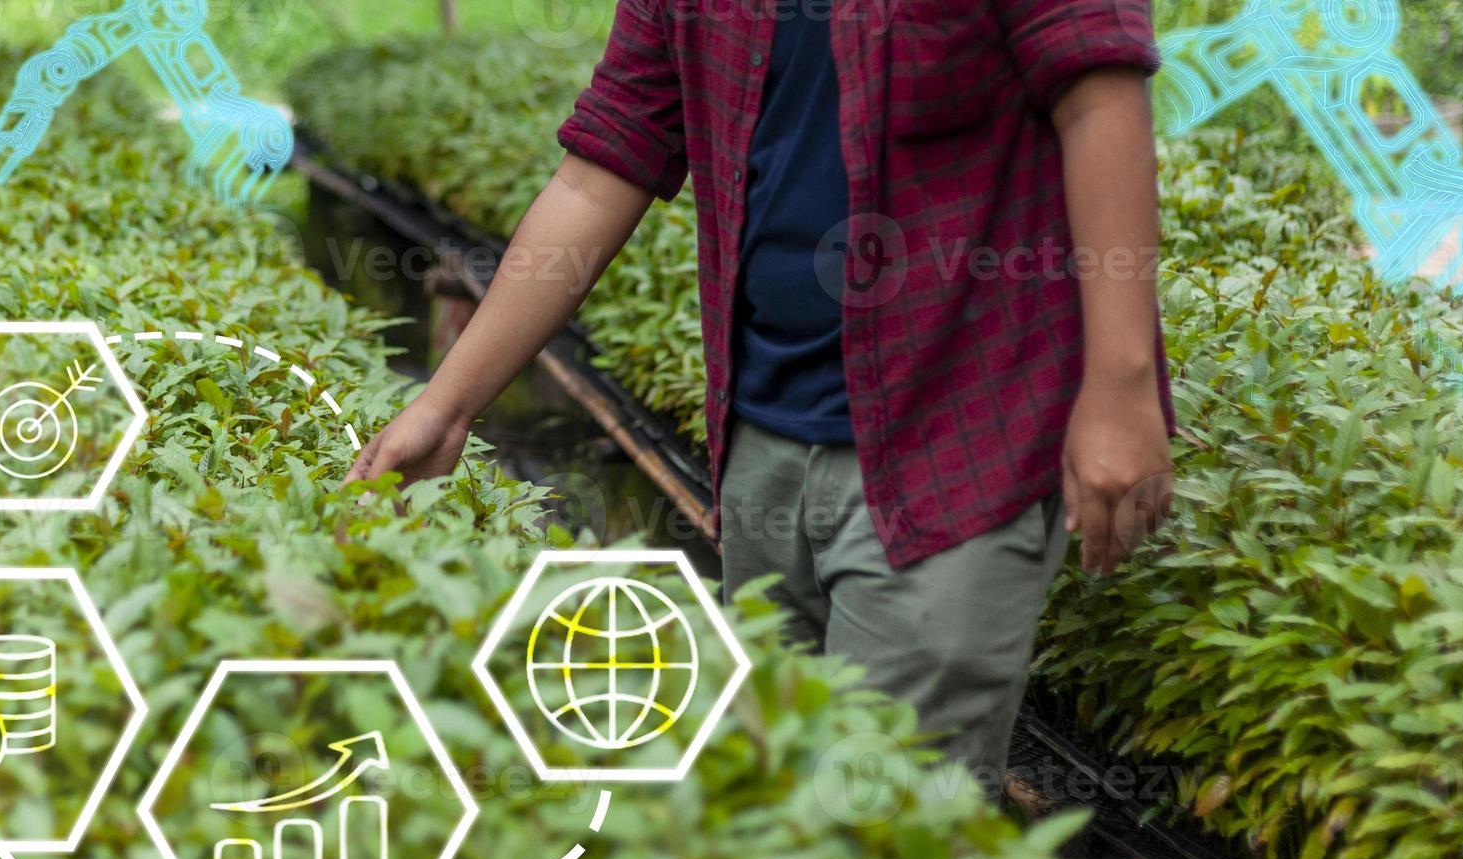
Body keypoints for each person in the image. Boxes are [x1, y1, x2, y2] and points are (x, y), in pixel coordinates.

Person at [345, 0, 1176, 784]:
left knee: (886, 842)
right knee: (777, 799)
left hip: (951, 442)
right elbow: (601, 168)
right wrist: (445, 404)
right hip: (759, 442)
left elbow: (1097, 97)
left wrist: (1121, 389)